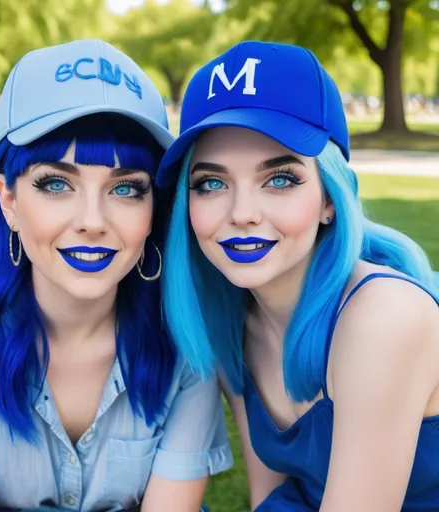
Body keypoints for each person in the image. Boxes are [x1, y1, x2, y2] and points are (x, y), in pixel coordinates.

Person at [0, 40, 232, 512]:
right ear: (9, 201)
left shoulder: (188, 340)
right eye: (56, 184)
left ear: (155, 209)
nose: (93, 221)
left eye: (127, 188)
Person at [157, 41, 439, 511]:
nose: (242, 213)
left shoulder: (383, 316)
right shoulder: (230, 323)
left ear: (330, 198)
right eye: (211, 183)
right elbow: (272, 499)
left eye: (280, 179)